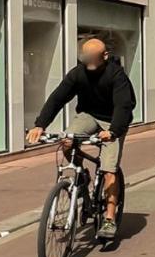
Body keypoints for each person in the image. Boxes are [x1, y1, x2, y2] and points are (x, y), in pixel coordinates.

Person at [26, 38, 136, 240]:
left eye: (94, 57)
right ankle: (82, 176)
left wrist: (113, 131)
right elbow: (57, 98)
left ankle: (109, 218)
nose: (89, 61)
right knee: (67, 142)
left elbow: (124, 106)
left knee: (109, 168)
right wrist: (40, 125)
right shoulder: (78, 74)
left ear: (105, 56)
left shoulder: (116, 75)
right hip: (88, 115)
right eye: (86, 57)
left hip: (113, 120)